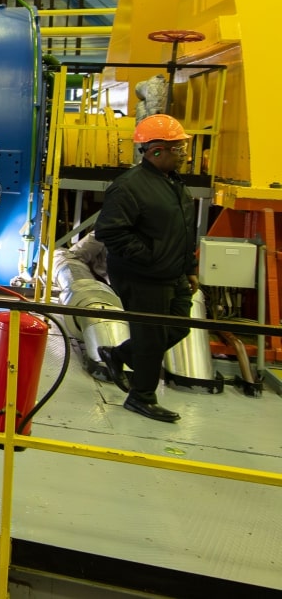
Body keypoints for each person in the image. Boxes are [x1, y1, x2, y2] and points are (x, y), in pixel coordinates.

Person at [94, 114, 198, 423]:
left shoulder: (173, 183)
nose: (184, 153)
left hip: (173, 272)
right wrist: (151, 258)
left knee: (179, 326)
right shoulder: (129, 187)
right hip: (143, 275)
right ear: (155, 151)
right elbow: (110, 232)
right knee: (151, 337)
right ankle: (142, 397)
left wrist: (188, 266)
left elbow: (182, 229)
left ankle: (121, 354)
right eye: (177, 147)